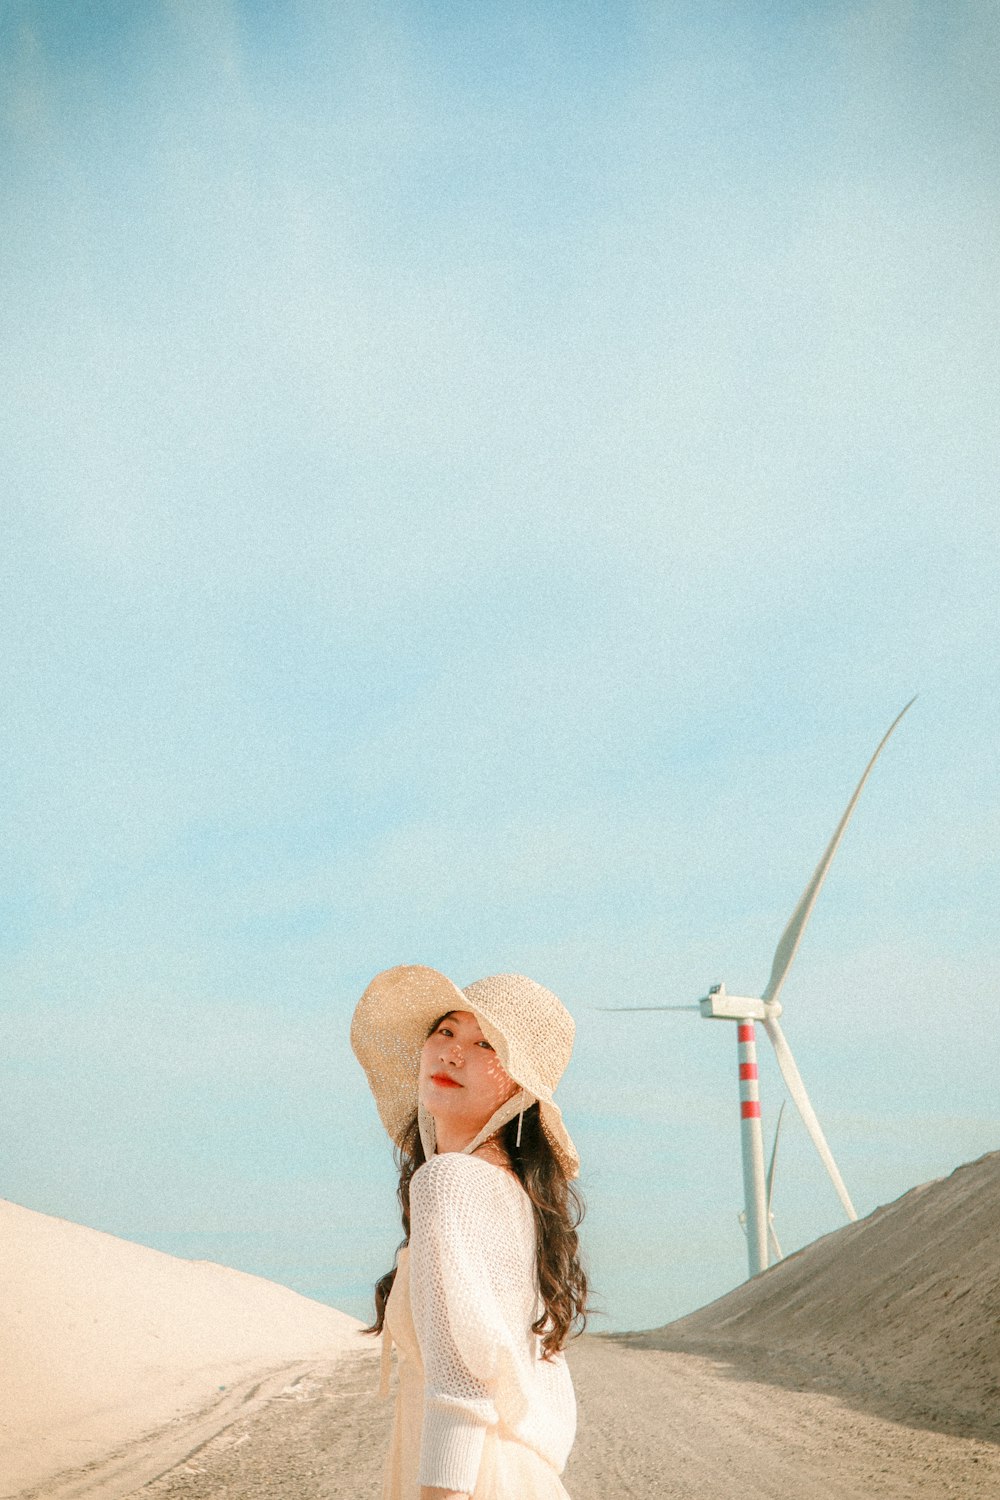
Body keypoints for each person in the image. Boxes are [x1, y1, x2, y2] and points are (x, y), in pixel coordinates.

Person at [351, 964, 588, 1500]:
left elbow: (462, 1383)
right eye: (447, 1031)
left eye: (486, 1045)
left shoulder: (449, 1182)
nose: (453, 1052)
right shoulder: (516, 1195)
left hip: (469, 1483)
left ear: (520, 1089)